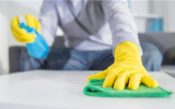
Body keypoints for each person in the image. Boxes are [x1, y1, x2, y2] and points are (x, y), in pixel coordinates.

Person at [11, 0, 163, 90]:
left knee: (150, 53)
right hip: (74, 57)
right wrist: (32, 37)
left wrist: (127, 52)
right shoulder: (52, 2)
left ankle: (132, 92)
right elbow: (44, 43)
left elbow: (119, 16)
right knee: (27, 54)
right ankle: (29, 94)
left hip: (109, 55)